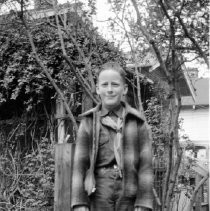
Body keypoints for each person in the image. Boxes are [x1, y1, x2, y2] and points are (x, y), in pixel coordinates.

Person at [71, 62, 153, 211]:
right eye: (104, 85)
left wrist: (144, 203)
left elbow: (146, 166)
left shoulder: (137, 122)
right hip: (97, 196)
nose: (109, 90)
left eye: (115, 85)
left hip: (129, 196)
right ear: (97, 89)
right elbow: (79, 166)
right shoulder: (89, 122)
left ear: (124, 89)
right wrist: (79, 203)